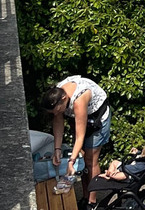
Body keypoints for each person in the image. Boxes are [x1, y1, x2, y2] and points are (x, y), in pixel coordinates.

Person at [42, 75, 111, 206]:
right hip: (80, 118)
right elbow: (58, 123)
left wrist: (71, 161)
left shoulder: (79, 100)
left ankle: (92, 202)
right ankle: (85, 196)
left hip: (98, 118)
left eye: (57, 111)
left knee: (90, 160)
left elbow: (80, 136)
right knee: (82, 158)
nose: (56, 114)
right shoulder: (57, 95)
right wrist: (57, 149)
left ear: (64, 99)